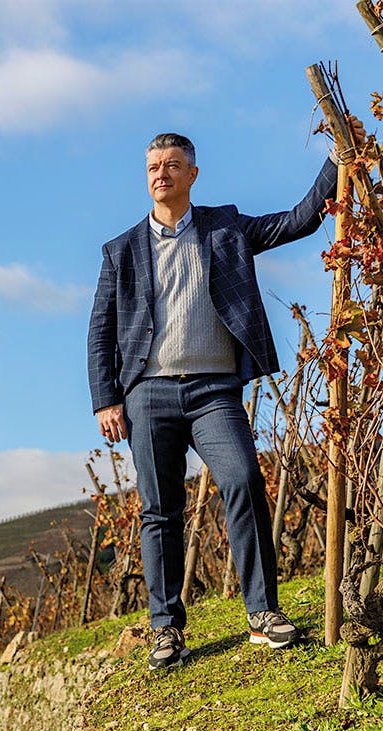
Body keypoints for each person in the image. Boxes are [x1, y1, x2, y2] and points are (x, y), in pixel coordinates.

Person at [86, 132, 338, 670]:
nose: (162, 173)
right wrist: (106, 399)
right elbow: (100, 330)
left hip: (214, 390)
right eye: (153, 165)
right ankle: (166, 629)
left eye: (173, 165)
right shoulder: (120, 251)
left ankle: (262, 613)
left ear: (192, 175)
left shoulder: (225, 228)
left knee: (244, 479)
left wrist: (337, 162)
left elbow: (298, 221)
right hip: (147, 394)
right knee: (160, 510)